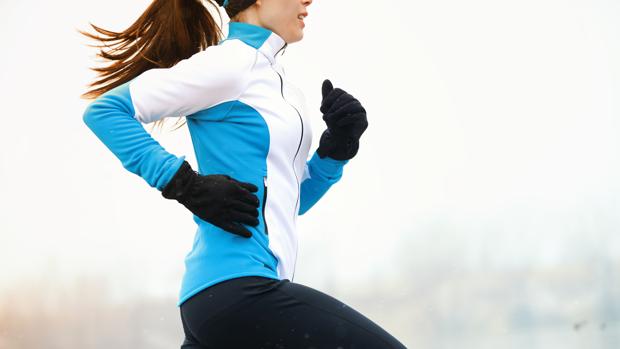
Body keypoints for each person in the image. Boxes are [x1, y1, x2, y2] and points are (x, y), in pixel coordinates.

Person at [81, 0, 406, 347]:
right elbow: (106, 111)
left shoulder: (279, 85)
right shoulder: (230, 64)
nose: (308, 0)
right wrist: (184, 183)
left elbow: (284, 204)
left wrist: (334, 151)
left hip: (223, 303)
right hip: (238, 292)